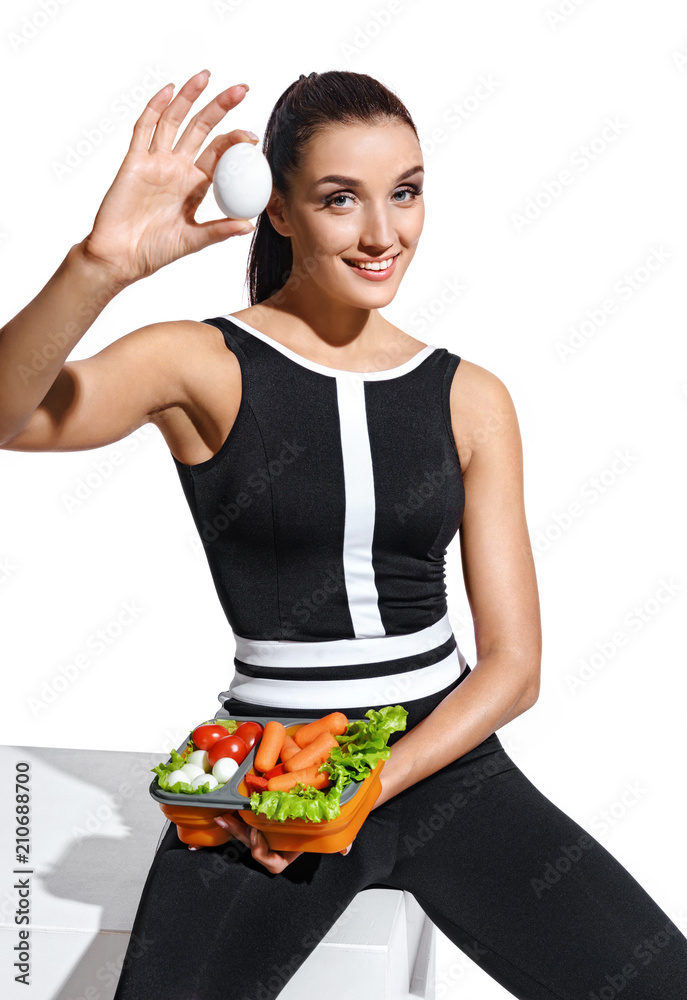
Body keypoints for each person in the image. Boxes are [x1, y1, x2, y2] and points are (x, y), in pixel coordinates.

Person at [1, 67, 685, 1000]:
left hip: (446, 768)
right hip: (267, 783)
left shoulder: (471, 396)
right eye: (339, 199)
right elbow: (11, 416)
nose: (382, 233)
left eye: (404, 192)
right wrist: (100, 265)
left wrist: (370, 785)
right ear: (278, 211)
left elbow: (513, 667)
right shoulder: (200, 362)